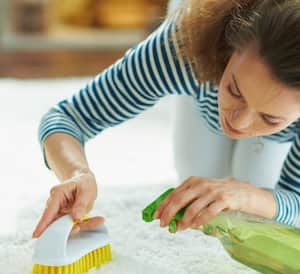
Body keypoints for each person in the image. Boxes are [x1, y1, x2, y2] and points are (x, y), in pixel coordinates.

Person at [33, 0, 300, 238]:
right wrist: (77, 173)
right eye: (235, 89)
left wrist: (248, 195)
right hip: (202, 53)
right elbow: (68, 117)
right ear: (230, 47)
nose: (239, 123)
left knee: (252, 202)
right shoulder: (181, 47)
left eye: (269, 117)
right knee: (202, 178)